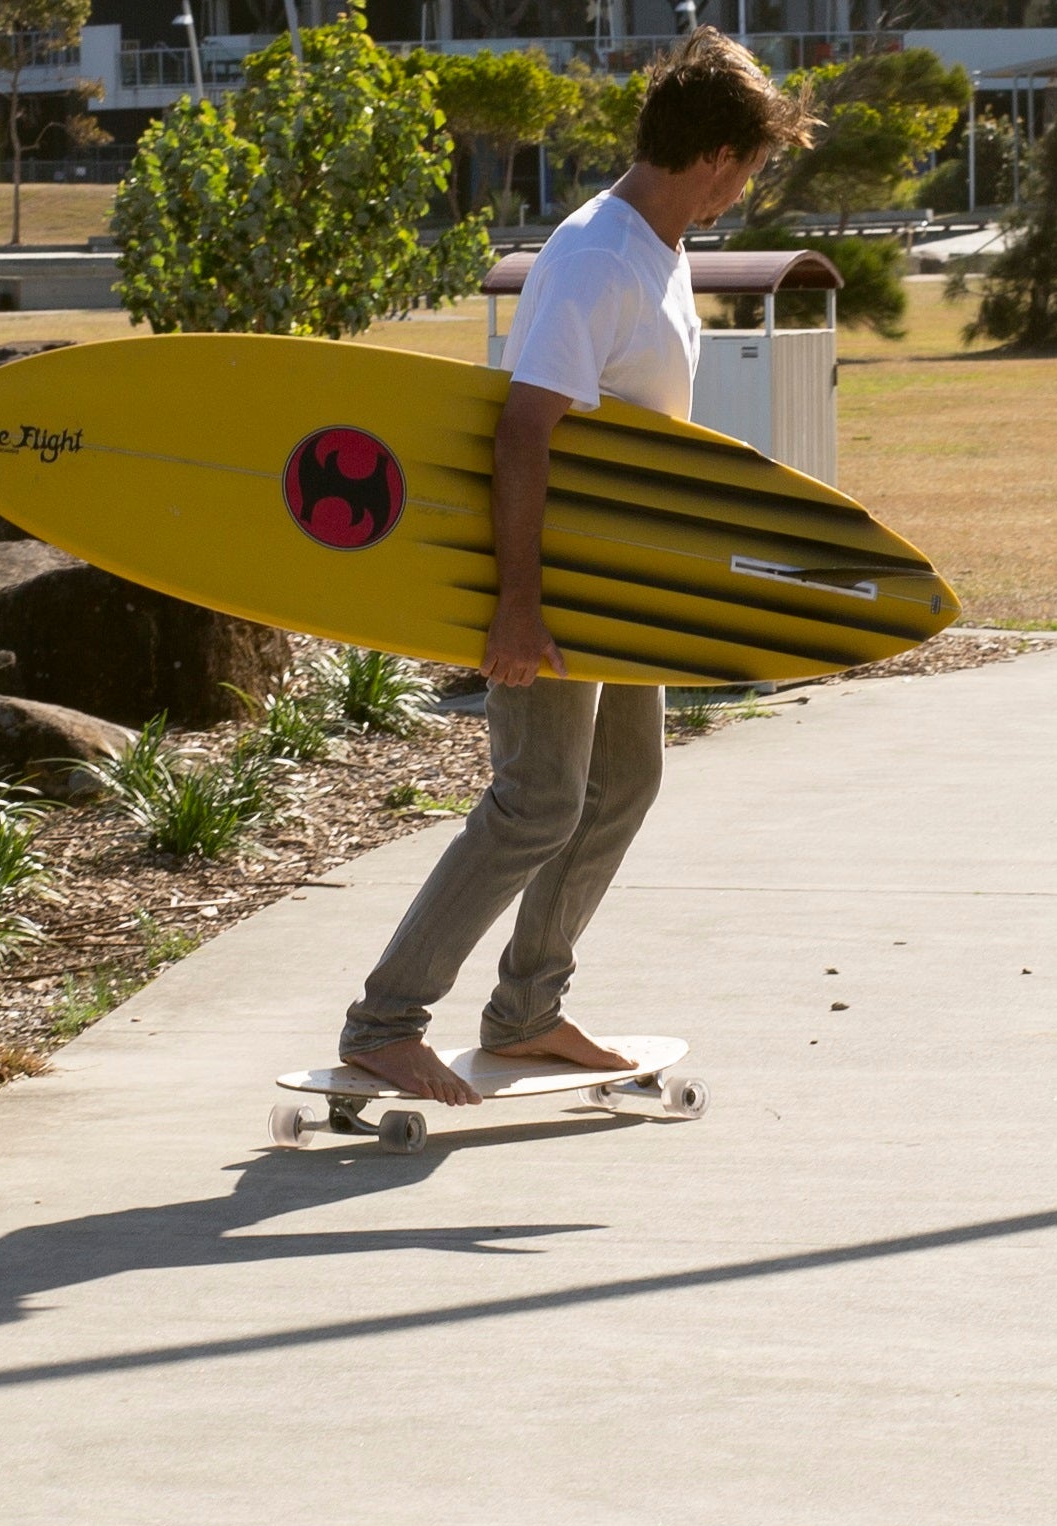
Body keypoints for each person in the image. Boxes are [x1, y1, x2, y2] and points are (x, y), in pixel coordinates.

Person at [332, 28, 813, 1107]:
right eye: (751, 165)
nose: (744, 188)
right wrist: (515, 607)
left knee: (624, 782)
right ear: (720, 154)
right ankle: (384, 1021)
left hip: (615, 581)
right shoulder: (597, 256)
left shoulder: (659, 247)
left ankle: (526, 1009)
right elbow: (522, 431)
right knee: (537, 797)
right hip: (548, 582)